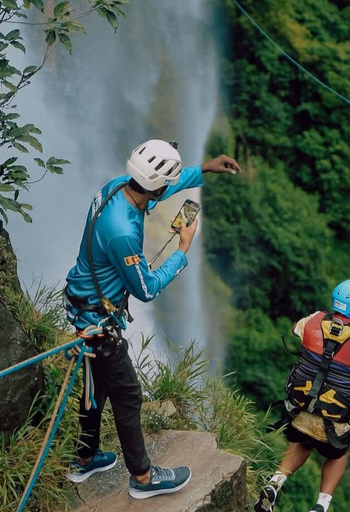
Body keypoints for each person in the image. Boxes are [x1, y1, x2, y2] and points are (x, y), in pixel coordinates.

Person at [62, 139, 240, 499]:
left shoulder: (116, 187)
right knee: (128, 395)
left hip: (82, 302)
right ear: (156, 184)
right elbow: (146, 288)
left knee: (95, 386)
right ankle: (143, 479)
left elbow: (158, 187)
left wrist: (203, 169)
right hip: (98, 319)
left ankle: (85, 457)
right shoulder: (124, 232)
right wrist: (183, 249)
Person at [255, 279, 350, 512]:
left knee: (302, 440)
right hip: (332, 418)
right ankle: (321, 505)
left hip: (300, 408)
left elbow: (295, 329)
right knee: (338, 454)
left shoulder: (314, 319)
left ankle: (274, 484)